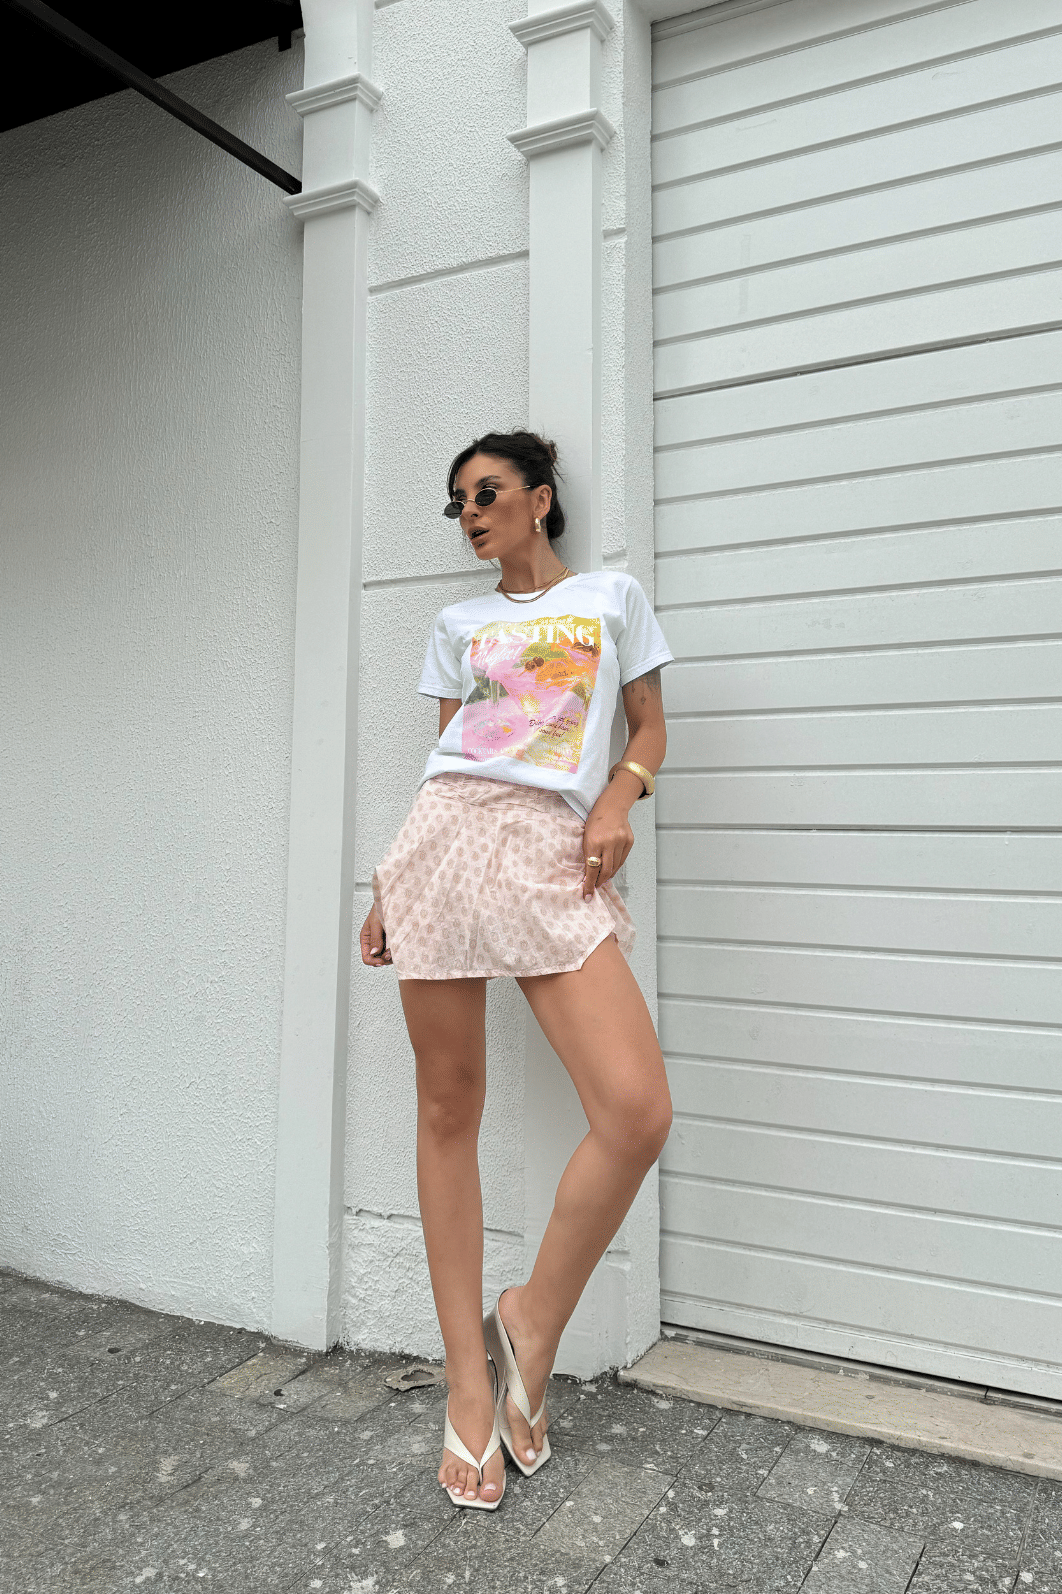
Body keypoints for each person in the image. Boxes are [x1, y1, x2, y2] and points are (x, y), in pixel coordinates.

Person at [359, 430, 674, 1510]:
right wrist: (389, 885)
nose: (470, 514)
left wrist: (618, 800)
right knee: (448, 1106)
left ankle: (530, 1320)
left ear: (540, 498)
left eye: (486, 492)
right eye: (457, 503)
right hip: (444, 845)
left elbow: (649, 727)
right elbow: (447, 762)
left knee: (634, 1111)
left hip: (551, 844)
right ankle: (467, 1383)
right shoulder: (459, 624)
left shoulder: (611, 599)